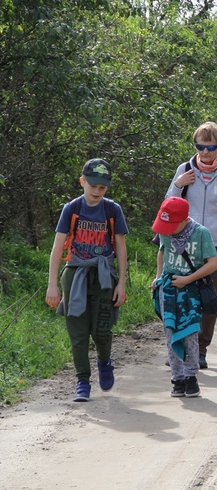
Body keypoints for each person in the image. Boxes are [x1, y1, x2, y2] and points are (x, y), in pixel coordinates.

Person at [46, 159, 128, 402]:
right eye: (92, 185)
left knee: (102, 330)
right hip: (75, 275)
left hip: (104, 277)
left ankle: (104, 361)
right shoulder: (71, 209)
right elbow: (57, 247)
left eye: (102, 188)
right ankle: (82, 381)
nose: (96, 191)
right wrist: (53, 284)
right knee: (78, 333)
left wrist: (121, 283)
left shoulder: (113, 210)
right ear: (82, 182)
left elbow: (121, 249)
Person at [166, 121, 217, 369]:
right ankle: (178, 348)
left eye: (210, 147)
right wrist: (178, 185)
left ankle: (200, 349)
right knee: (180, 298)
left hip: (216, 245)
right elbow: (168, 208)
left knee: (208, 298)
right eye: (200, 146)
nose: (205, 152)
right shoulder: (184, 169)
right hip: (182, 242)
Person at [152, 197, 217, 398]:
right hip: (169, 289)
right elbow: (162, 253)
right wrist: (158, 277)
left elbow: (213, 263)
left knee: (189, 334)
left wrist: (188, 279)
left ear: (184, 219)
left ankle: (191, 377)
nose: (167, 230)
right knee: (170, 334)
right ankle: (177, 378)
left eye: (171, 225)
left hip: (191, 292)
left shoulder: (201, 233)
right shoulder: (165, 232)